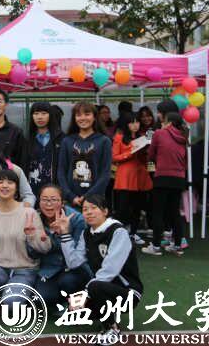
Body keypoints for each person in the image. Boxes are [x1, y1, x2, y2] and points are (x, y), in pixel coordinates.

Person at [62, 194, 143, 342]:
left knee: (95, 287)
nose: (89, 212)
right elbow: (73, 262)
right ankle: (106, 311)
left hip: (128, 292)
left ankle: (112, 328)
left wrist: (85, 294)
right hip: (103, 286)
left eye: (94, 208)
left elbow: (110, 270)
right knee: (74, 315)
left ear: (105, 211)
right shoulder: (87, 233)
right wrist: (65, 234)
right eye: (85, 209)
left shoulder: (118, 232)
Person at [0, 170, 51, 302]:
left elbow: (44, 248)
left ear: (16, 188)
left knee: (11, 302)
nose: (5, 186)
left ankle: (12, 297)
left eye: (10, 182)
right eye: (0, 182)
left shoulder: (28, 212)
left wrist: (33, 235)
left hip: (24, 270)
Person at [30, 185, 91, 312]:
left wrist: (62, 234)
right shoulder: (34, 218)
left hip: (73, 268)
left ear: (62, 202)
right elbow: (32, 253)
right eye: (44, 199)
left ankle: (81, 302)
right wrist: (36, 241)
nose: (49, 204)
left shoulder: (76, 218)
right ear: (39, 201)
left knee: (68, 281)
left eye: (54, 200)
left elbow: (77, 254)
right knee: (42, 297)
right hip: (49, 269)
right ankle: (61, 302)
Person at [142, 111, 188, 256]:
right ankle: (177, 245)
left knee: (158, 212)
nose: (161, 123)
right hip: (179, 178)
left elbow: (151, 154)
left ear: (168, 122)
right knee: (175, 212)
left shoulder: (159, 133)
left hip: (162, 176)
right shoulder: (183, 136)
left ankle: (156, 246)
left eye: (163, 120)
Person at [57, 102, 112, 206]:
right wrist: (70, 196)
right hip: (70, 200)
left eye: (87, 114)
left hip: (95, 200)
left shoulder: (104, 141)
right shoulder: (67, 141)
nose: (83, 118)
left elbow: (105, 173)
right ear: (74, 118)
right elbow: (61, 171)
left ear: (94, 117)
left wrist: (87, 196)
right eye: (78, 115)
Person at [111, 112, 152, 245]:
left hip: (140, 174)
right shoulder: (119, 137)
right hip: (125, 175)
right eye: (131, 122)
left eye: (137, 122)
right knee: (123, 207)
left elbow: (146, 159)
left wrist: (145, 151)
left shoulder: (142, 137)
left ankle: (133, 233)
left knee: (137, 207)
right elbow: (114, 157)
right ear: (126, 124)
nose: (135, 125)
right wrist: (130, 153)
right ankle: (118, 234)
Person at [23, 102, 64, 199]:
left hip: (54, 189)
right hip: (32, 190)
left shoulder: (61, 138)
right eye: (36, 114)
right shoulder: (26, 139)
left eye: (44, 113)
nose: (40, 117)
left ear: (50, 115)